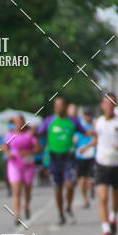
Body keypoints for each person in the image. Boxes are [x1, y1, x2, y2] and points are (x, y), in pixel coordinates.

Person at [80, 91, 118, 235]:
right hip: (101, 163)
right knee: (103, 198)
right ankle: (105, 230)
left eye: (112, 103)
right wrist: (85, 147)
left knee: (116, 198)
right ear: (102, 105)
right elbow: (98, 139)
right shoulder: (97, 122)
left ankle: (113, 217)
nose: (109, 106)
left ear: (116, 105)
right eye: (106, 103)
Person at [38, 96, 86, 225]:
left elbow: (85, 132)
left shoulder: (73, 121)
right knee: (58, 189)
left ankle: (68, 207)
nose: (58, 108)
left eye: (60, 105)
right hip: (54, 159)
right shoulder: (49, 121)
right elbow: (38, 133)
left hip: (69, 159)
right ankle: (60, 214)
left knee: (69, 185)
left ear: (65, 107)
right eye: (56, 105)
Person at [1, 114, 40, 224]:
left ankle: (26, 206)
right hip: (14, 165)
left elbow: (38, 148)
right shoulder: (10, 135)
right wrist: (7, 153)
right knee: (16, 190)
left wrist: (27, 152)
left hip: (28, 165)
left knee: (27, 189)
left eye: (20, 122)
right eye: (16, 122)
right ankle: (17, 215)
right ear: (14, 124)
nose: (19, 124)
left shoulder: (29, 135)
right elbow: (5, 147)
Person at [74, 109, 96, 208]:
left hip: (92, 154)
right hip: (80, 155)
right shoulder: (79, 125)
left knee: (91, 179)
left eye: (89, 115)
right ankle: (85, 199)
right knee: (81, 180)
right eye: (86, 115)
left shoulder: (94, 125)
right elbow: (74, 137)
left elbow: (97, 139)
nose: (88, 117)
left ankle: (92, 188)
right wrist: (74, 141)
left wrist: (86, 147)